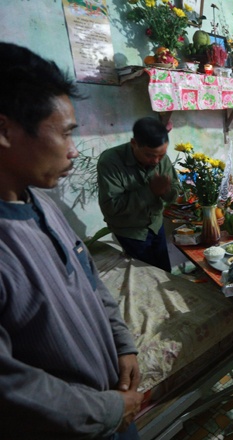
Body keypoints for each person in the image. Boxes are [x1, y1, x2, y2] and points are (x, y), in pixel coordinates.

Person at [0, 43, 143, 438]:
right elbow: (11, 390)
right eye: (65, 133)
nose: (74, 150)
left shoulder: (41, 203)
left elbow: (89, 278)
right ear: (5, 131)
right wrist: (108, 409)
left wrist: (123, 343)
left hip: (109, 409)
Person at [97, 117, 179, 272]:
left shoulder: (161, 159)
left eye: (161, 155)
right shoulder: (110, 161)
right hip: (130, 233)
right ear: (134, 143)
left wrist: (167, 191)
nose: (156, 161)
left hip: (156, 226)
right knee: (145, 276)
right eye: (150, 155)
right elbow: (111, 207)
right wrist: (150, 191)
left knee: (165, 273)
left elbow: (173, 191)